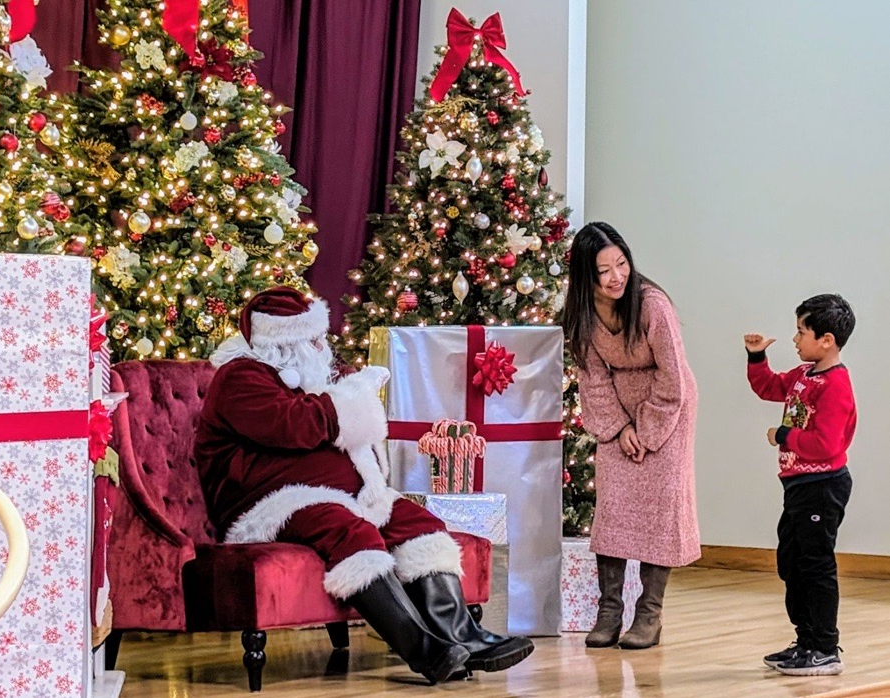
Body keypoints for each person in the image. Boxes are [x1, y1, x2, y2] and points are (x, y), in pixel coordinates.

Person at [193, 286, 533, 684]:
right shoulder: (240, 376)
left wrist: (346, 396)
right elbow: (292, 426)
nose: (322, 346)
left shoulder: (312, 376)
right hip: (269, 503)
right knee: (347, 529)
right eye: (313, 339)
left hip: (341, 496)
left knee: (417, 523)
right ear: (284, 342)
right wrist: (349, 398)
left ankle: (464, 637)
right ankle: (425, 650)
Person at [563, 221, 700, 650]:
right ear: (587, 277)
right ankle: (609, 611)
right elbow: (593, 380)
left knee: (661, 507)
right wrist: (620, 428)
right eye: (604, 270)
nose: (616, 276)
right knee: (615, 507)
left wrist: (648, 428)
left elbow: (673, 376)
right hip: (617, 415)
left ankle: (649, 615)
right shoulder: (582, 316)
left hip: (668, 409)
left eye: (621, 263)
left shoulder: (652, 306)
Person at [745, 294, 856, 677]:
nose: (795, 339)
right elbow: (769, 388)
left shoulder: (836, 385)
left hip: (822, 485)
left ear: (826, 339)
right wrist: (756, 357)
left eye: (801, 332)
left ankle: (825, 647)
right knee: (791, 562)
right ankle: (806, 640)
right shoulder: (803, 375)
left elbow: (826, 444)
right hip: (798, 486)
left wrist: (783, 434)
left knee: (815, 565)